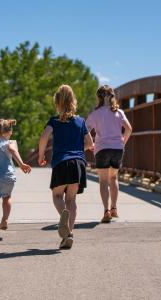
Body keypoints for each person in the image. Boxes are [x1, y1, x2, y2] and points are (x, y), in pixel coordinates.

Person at [38, 85, 94, 249]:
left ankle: (65, 223)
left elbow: (44, 137)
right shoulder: (81, 121)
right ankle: (69, 234)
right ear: (73, 101)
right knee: (71, 200)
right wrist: (77, 149)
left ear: (57, 102)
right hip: (78, 164)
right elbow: (90, 144)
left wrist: (41, 156)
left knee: (57, 197)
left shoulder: (54, 121)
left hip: (61, 162)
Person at [86, 85, 132, 223]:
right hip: (117, 149)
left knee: (103, 181)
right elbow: (129, 129)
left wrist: (90, 143)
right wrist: (122, 143)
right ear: (112, 96)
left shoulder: (96, 114)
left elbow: (85, 129)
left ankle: (106, 211)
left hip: (102, 149)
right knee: (113, 178)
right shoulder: (119, 112)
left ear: (99, 97)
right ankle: (114, 208)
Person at [0, 117, 32, 246]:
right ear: (8, 131)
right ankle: (4, 220)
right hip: (7, 176)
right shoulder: (10, 142)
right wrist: (21, 164)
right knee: (7, 197)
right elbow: (13, 151)